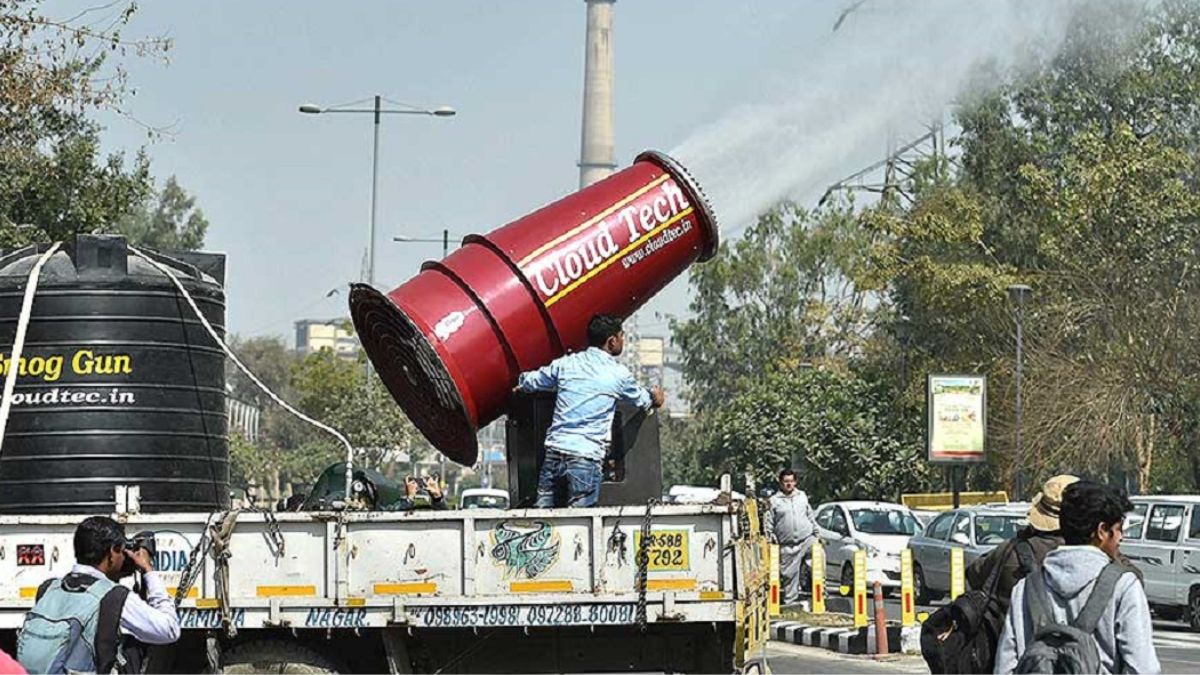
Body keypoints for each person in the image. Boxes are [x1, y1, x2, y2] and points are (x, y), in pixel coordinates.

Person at [994, 480, 1159, 674]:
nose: (1121, 537)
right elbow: (1142, 668)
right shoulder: (1123, 586)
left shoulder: (1026, 587)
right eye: (1119, 529)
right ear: (1102, 531)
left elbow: (1005, 667)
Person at [514, 313, 665, 508]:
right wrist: (655, 397)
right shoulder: (618, 374)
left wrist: (521, 385)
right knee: (580, 527)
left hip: (554, 454)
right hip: (585, 457)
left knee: (544, 522)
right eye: (622, 336)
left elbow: (533, 380)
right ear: (611, 341)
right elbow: (642, 400)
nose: (623, 341)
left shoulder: (567, 364)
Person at [18, 516, 180, 674]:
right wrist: (148, 570)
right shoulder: (113, 597)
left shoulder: (49, 588)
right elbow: (169, 630)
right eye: (122, 550)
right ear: (111, 553)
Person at [763, 468, 819, 606]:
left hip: (806, 538)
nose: (789, 484)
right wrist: (770, 536)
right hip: (787, 545)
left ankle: (820, 594)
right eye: (786, 481)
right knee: (789, 575)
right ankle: (790, 604)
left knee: (818, 557)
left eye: (791, 481)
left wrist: (816, 532)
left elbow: (809, 514)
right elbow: (768, 521)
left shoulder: (802, 496)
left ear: (795, 482)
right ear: (781, 483)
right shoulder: (774, 501)